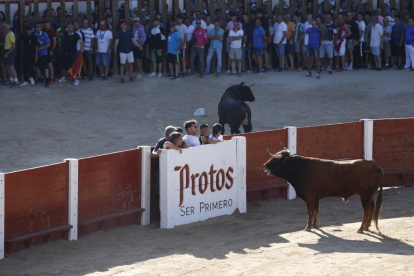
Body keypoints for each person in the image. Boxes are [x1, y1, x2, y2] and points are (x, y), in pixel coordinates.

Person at [34, 23, 51, 87]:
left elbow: (48, 44)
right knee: (37, 66)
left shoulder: (45, 34)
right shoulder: (34, 34)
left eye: (39, 27)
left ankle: (46, 80)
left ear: (41, 28)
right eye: (37, 27)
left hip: (44, 53)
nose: (38, 29)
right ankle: (39, 78)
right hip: (37, 53)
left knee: (45, 67)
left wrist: (40, 48)